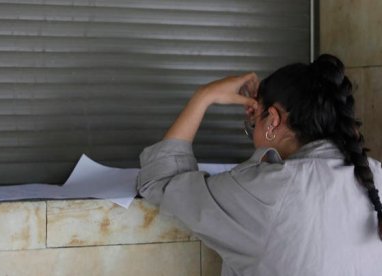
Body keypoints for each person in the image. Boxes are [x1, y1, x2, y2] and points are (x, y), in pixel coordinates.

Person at [136, 54, 382, 275]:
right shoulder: (376, 176)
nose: (251, 130)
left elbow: (159, 181)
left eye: (253, 122)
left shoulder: (266, 191)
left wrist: (204, 96)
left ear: (273, 120)